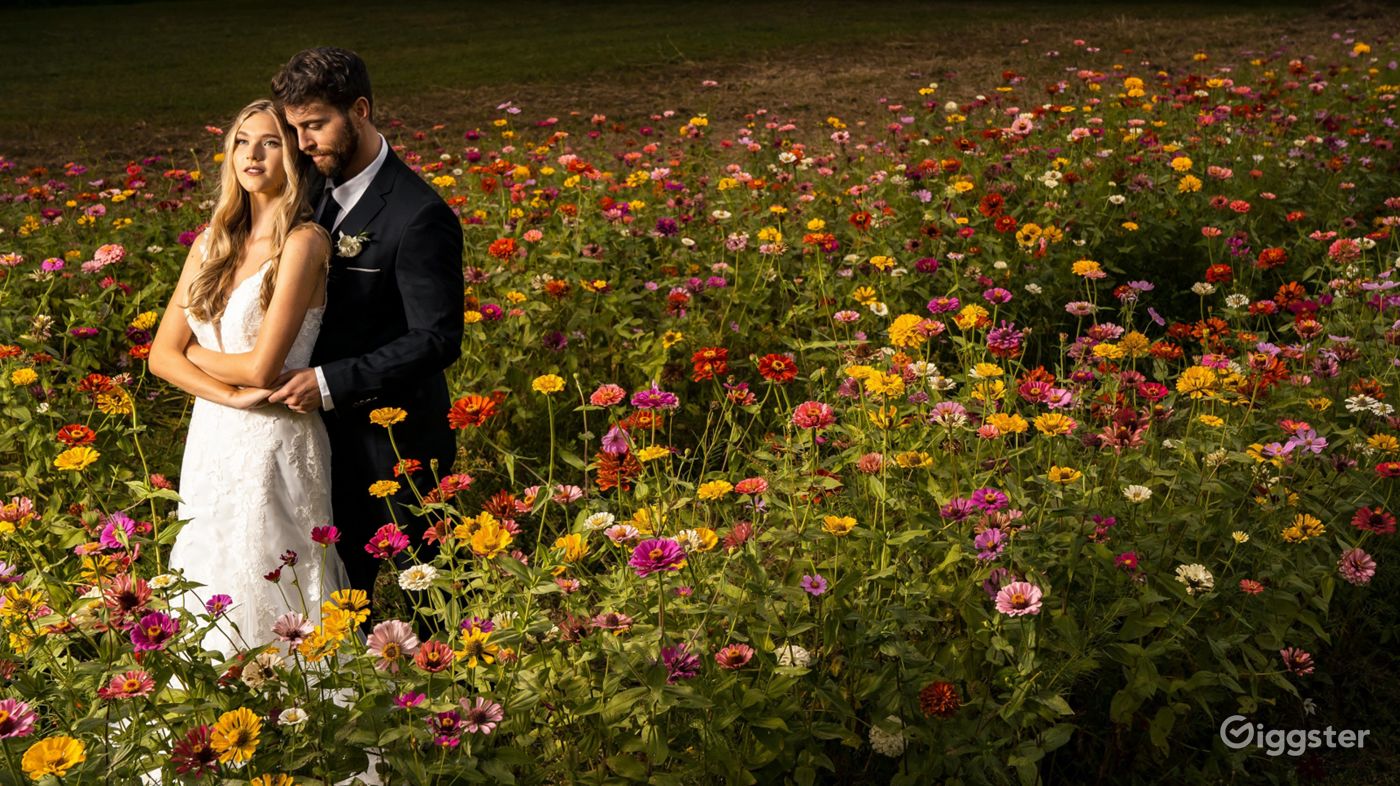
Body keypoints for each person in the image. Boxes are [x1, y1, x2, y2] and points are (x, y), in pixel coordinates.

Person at [267, 48, 464, 618]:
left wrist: (328, 381)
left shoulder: (418, 214)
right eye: (294, 128)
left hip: (395, 444)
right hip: (313, 441)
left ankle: (457, 700)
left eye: (315, 125)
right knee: (336, 596)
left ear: (360, 110)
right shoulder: (305, 191)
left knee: (433, 601)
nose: (302, 143)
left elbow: (437, 338)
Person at [149, 99, 350, 659]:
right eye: (242, 141)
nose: (253, 154)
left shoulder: (303, 243)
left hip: (275, 438)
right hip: (215, 432)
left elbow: (262, 366)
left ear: (292, 157)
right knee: (209, 567)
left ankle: (293, 718)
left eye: (269, 143)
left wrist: (197, 356)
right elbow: (160, 356)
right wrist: (228, 396)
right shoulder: (212, 240)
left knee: (269, 568)